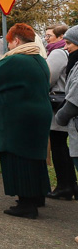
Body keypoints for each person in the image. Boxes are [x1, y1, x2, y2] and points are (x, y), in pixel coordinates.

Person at [0, 23, 52, 218]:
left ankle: (26, 204)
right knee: (34, 158)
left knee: (17, 159)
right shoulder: (39, 59)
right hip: (37, 115)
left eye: (9, 43)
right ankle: (37, 196)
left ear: (16, 41)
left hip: (15, 120)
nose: (8, 47)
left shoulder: (14, 60)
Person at [46, 23, 78, 200]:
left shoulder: (58, 53)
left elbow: (48, 78)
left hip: (59, 106)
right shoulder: (67, 53)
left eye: (50, 36)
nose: (47, 39)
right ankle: (71, 185)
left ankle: (64, 185)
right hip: (65, 104)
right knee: (64, 147)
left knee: (59, 147)